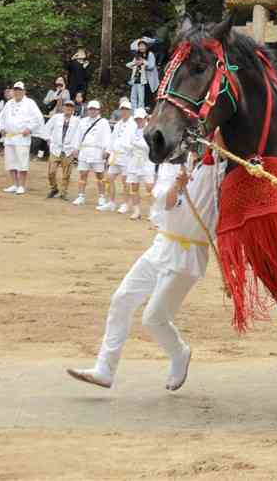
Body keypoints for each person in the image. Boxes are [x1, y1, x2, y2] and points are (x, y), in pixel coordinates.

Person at [67, 150, 225, 390]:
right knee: (121, 299)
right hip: (161, 244)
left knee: (153, 319)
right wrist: (177, 186)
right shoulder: (176, 164)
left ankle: (179, 353)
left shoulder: (218, 170)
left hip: (188, 254)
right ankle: (104, 369)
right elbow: (163, 202)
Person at [0, 81, 44, 195]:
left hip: (22, 137)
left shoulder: (30, 103)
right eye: (16, 90)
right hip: (9, 137)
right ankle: (14, 184)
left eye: (19, 90)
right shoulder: (9, 103)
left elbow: (38, 118)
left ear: (24, 91)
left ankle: (21, 186)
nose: (17, 92)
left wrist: (30, 128)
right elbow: (2, 117)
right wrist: (2, 128)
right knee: (10, 162)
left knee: (21, 162)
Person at [72, 100, 111, 207]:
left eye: (94, 109)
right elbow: (78, 136)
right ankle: (81, 196)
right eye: (90, 109)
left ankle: (102, 197)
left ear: (98, 110)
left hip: (97, 152)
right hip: (84, 151)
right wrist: (76, 148)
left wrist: (107, 150)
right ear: (88, 110)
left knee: (99, 175)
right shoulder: (83, 121)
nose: (92, 111)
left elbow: (108, 137)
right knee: (82, 174)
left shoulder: (104, 122)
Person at [99, 100, 135, 214]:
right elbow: (112, 139)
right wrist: (108, 151)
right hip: (115, 156)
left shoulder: (134, 124)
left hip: (127, 157)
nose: (124, 111)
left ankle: (125, 204)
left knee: (125, 182)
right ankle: (111, 202)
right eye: (122, 109)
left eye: (126, 109)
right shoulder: (118, 124)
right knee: (109, 179)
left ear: (130, 111)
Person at [42, 99, 80, 199]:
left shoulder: (77, 121)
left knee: (66, 174)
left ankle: (64, 193)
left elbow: (78, 136)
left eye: (70, 107)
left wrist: (75, 148)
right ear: (63, 108)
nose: (68, 108)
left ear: (73, 109)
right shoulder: (56, 117)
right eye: (66, 106)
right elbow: (46, 129)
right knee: (51, 172)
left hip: (68, 150)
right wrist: (48, 139)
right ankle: (54, 188)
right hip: (55, 148)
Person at [125, 108, 156, 220]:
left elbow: (150, 147)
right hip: (134, 162)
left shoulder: (150, 130)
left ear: (145, 118)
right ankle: (136, 211)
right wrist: (129, 148)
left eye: (140, 119)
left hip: (147, 162)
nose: (138, 121)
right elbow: (129, 145)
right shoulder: (133, 130)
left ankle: (152, 212)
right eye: (137, 119)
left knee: (149, 187)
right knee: (134, 187)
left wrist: (136, 144)